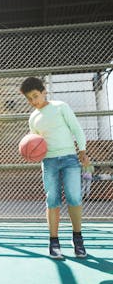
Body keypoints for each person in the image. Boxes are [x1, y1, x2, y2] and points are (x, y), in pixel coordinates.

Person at [20, 77, 90, 259]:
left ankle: (78, 240)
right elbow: (35, 143)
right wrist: (30, 153)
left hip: (69, 159)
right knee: (52, 200)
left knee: (74, 198)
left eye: (35, 96)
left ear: (44, 92)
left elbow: (76, 129)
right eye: (29, 99)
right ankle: (54, 242)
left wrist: (82, 151)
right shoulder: (33, 118)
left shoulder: (60, 106)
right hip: (49, 162)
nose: (33, 101)